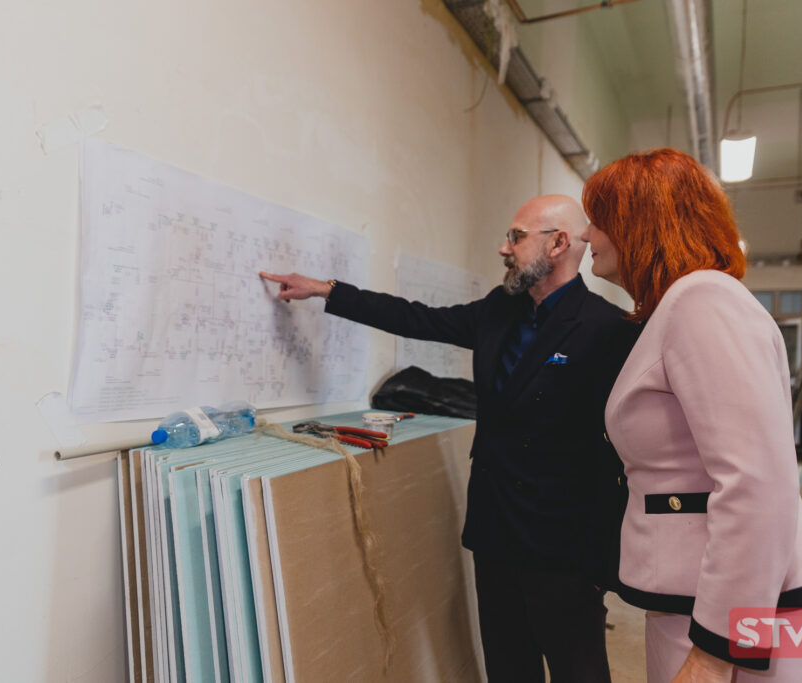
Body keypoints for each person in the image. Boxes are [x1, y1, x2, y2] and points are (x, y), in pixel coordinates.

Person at [261, 195, 640, 683]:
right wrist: (327, 291)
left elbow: (625, 453)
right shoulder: (500, 310)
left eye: (516, 237)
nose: (504, 248)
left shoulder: (607, 328)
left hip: (564, 550)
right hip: (495, 533)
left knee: (578, 671)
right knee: (508, 668)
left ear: (559, 243)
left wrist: (604, 559)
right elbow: (417, 317)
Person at [581, 149, 802, 682]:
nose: (586, 235)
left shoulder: (702, 301)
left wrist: (717, 652)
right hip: (700, 607)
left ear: (638, 222)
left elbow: (755, 482)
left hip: (738, 625)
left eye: (597, 219)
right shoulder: (679, 306)